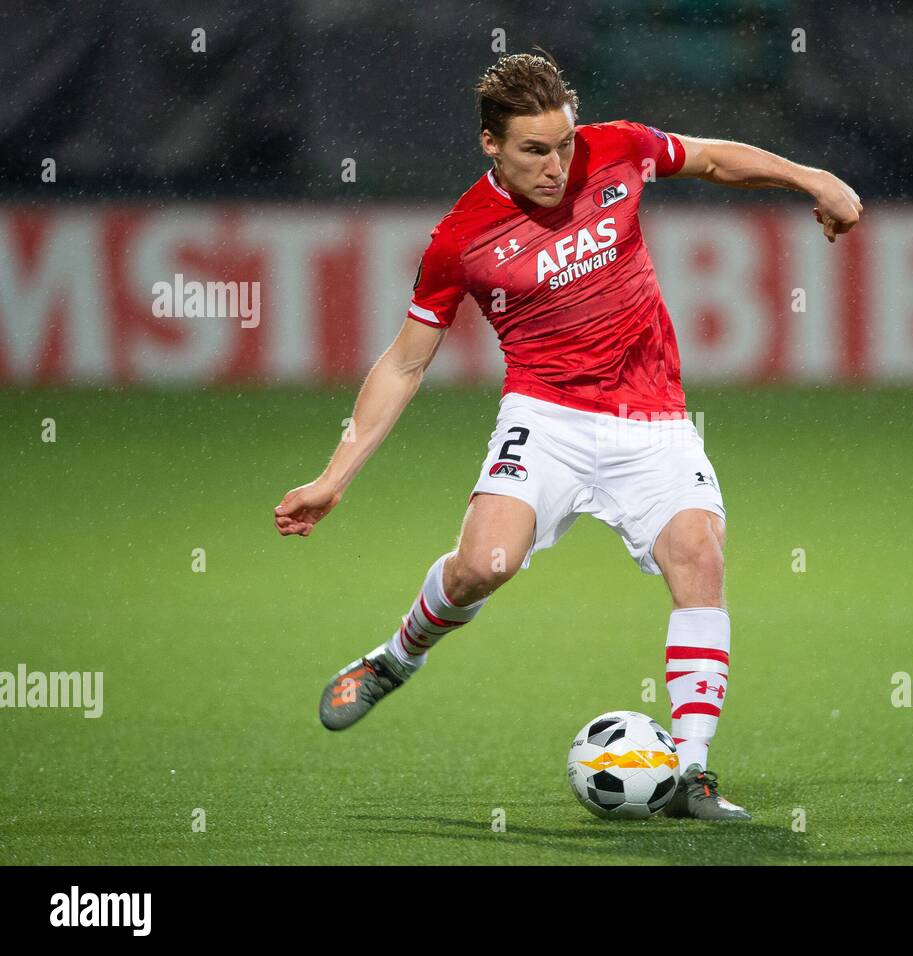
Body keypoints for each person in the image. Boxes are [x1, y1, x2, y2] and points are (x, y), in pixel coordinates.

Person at [275, 51, 862, 821]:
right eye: (533, 151)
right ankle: (395, 657)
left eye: (563, 144)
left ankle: (692, 773)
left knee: (699, 554)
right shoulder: (460, 241)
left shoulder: (616, 148)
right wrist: (334, 476)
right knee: (485, 567)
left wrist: (812, 179)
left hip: (652, 417)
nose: (557, 166)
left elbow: (714, 159)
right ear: (491, 144)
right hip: (545, 419)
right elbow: (405, 363)